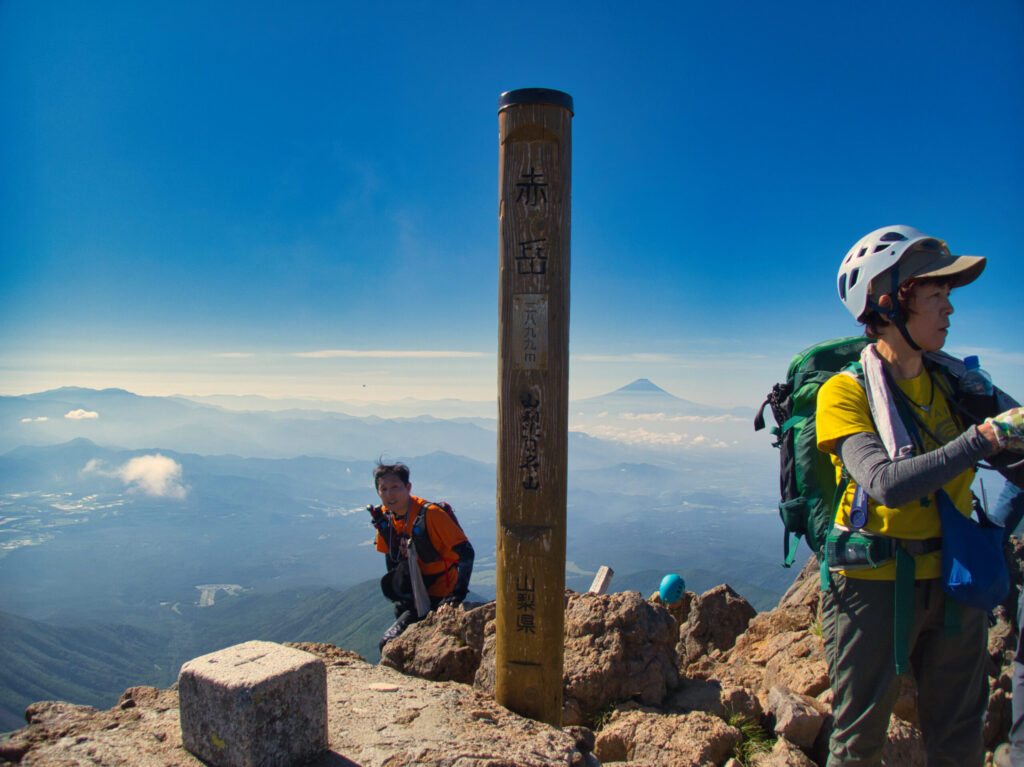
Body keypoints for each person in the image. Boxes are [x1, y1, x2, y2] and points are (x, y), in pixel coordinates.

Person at [817, 225, 1024, 766]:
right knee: (859, 742)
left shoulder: (961, 386)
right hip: (872, 587)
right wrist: (981, 439)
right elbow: (885, 483)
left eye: (949, 297)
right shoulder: (843, 391)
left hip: (955, 581)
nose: (949, 310)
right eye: (936, 296)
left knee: (958, 740)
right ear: (887, 303)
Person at [369, 462, 474, 651]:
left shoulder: (431, 514)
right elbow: (391, 555)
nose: (389, 494)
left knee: (388, 644)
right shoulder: (387, 516)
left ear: (408, 487)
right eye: (383, 489)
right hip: (414, 595)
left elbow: (466, 552)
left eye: (395, 487)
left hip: (440, 595)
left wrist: (455, 596)